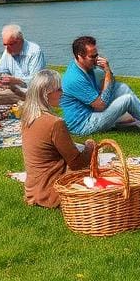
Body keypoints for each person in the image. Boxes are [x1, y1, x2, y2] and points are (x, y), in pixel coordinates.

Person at [60, 35, 140, 136]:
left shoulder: (87, 67)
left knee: (122, 88)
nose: (96, 59)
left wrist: (108, 71)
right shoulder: (75, 78)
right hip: (84, 124)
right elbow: (101, 105)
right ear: (80, 56)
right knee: (127, 99)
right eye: (92, 56)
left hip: (93, 110)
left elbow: (110, 84)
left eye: (97, 54)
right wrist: (106, 73)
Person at [21, 69, 96, 208]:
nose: (63, 93)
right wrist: (90, 147)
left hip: (33, 190)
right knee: (98, 176)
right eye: (59, 89)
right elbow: (77, 163)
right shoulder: (55, 123)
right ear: (46, 94)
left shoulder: (28, 119)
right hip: (51, 192)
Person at [0, 24, 46, 104]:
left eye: (10, 44)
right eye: (5, 45)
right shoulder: (8, 50)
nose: (7, 48)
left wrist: (16, 81)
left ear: (20, 41)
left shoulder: (34, 52)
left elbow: (36, 81)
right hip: (14, 89)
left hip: (32, 93)